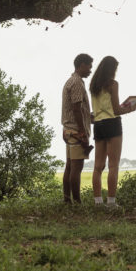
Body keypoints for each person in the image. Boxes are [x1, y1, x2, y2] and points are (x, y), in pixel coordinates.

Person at [88, 55, 136, 207]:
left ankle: (97, 201)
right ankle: (111, 202)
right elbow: (116, 109)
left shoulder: (93, 84)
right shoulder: (112, 84)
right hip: (112, 124)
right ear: (112, 69)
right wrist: (131, 108)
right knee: (113, 165)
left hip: (98, 124)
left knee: (98, 166)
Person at [61, 53, 93, 204]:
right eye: (89, 66)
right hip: (75, 130)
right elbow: (76, 109)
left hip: (68, 130)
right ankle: (77, 201)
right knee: (77, 167)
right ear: (81, 65)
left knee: (69, 166)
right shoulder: (77, 83)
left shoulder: (70, 81)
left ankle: (67, 200)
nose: (90, 70)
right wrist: (82, 132)